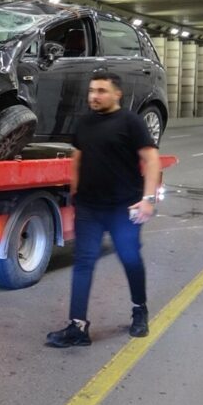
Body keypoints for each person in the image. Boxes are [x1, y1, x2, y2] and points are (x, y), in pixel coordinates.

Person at [46, 71, 161, 348]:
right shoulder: (84, 123)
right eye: (91, 91)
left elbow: (152, 159)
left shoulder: (130, 122)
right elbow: (77, 158)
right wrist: (76, 194)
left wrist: (148, 199)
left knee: (130, 259)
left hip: (123, 208)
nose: (94, 96)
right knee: (83, 263)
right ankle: (78, 327)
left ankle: (139, 310)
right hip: (90, 208)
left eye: (101, 91)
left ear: (116, 94)